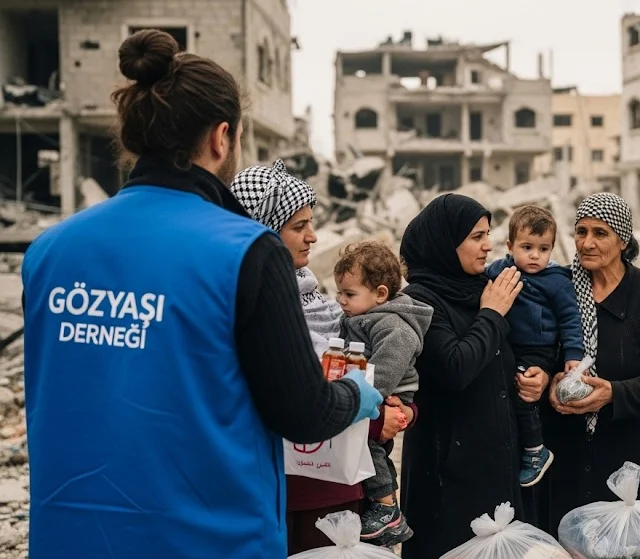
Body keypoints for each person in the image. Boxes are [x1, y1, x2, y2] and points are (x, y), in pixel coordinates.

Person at [19, 30, 382, 558]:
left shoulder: (50, 251)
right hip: (204, 538)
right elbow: (302, 412)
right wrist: (354, 394)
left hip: (72, 536)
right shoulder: (247, 251)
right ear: (221, 137)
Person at [229, 161, 416, 554]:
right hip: (282, 495)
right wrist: (375, 420)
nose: (313, 237)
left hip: (341, 487)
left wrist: (404, 412)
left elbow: (382, 372)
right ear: (262, 230)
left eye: (311, 224)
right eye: (299, 226)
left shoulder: (321, 302)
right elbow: (282, 397)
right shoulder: (243, 304)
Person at [398, 193, 549, 559]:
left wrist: (538, 374)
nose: (488, 246)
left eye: (488, 234)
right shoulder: (419, 301)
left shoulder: (482, 289)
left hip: (499, 466)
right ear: (445, 243)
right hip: (448, 476)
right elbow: (456, 367)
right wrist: (492, 314)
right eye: (476, 237)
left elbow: (516, 351)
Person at [532, 192, 640, 536]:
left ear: (623, 240)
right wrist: (549, 379)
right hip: (568, 446)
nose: (587, 243)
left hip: (633, 449)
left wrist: (613, 393)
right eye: (581, 232)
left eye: (600, 233)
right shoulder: (558, 287)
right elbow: (535, 347)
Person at [333, 240, 433, 546]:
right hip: (362, 390)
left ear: (380, 293)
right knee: (372, 449)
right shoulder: (359, 316)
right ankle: (388, 508)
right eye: (339, 293)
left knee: (367, 444)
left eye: (349, 294)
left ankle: (386, 507)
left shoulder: (393, 326)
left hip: (386, 393)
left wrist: (361, 397)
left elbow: (387, 368)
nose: (341, 301)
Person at [485, 205, 584, 488]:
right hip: (507, 345)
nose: (534, 256)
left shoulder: (557, 282)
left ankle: (535, 450)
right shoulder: (500, 270)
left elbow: (570, 319)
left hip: (538, 349)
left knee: (524, 394)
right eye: (526, 247)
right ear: (510, 246)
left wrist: (573, 354)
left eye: (543, 249)